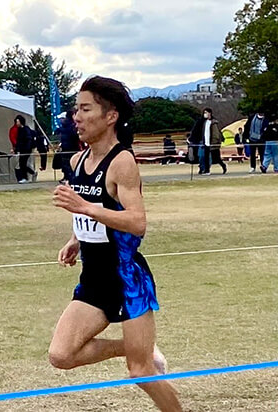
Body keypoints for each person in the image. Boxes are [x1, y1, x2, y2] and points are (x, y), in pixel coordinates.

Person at [50, 75, 182, 412]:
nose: (75, 117)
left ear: (110, 116)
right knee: (61, 355)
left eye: (85, 109)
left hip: (126, 278)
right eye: (74, 109)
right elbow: (97, 216)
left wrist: (83, 207)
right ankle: (134, 346)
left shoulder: (122, 162)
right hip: (94, 278)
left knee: (141, 373)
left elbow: (137, 222)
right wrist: (76, 239)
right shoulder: (79, 161)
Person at [56, 110, 80, 183]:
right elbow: (74, 136)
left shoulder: (63, 125)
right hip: (72, 147)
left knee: (66, 164)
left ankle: (67, 178)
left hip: (65, 147)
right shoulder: (72, 126)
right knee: (72, 163)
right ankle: (71, 179)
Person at [14, 115, 36, 183]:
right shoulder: (19, 130)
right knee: (22, 164)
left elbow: (28, 140)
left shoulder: (26, 129)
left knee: (22, 163)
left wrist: (27, 148)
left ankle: (25, 177)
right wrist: (16, 149)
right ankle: (31, 173)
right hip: (22, 149)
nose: (17, 123)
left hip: (26, 150)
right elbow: (18, 141)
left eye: (18, 121)